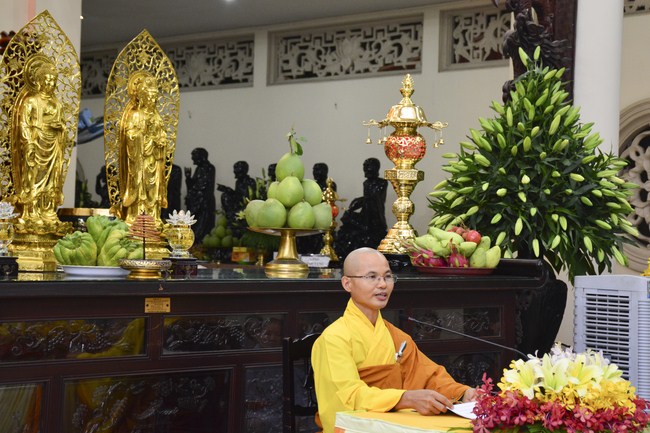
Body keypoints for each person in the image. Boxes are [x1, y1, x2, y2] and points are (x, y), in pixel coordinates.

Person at [311, 248, 476, 433]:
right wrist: (405, 398)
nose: (382, 284)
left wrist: (463, 393)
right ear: (347, 283)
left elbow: (429, 377)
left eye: (387, 277)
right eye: (372, 277)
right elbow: (347, 397)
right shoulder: (334, 339)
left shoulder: (396, 336)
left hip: (393, 425)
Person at [13, 55, 67, 225]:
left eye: (53, 80)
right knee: (33, 177)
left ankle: (48, 210)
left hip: (53, 145)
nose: (50, 83)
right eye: (47, 80)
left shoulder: (57, 104)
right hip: (36, 143)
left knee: (51, 179)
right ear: (39, 81)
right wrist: (29, 143)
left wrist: (61, 129)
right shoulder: (31, 102)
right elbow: (24, 124)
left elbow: (62, 124)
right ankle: (31, 211)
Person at [119, 70, 169, 226]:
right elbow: (130, 136)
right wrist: (144, 137)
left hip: (154, 159)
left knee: (154, 189)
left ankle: (154, 217)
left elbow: (162, 135)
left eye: (155, 97)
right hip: (140, 160)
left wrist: (161, 141)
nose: (153, 100)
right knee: (140, 186)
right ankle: (137, 216)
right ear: (141, 97)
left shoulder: (157, 117)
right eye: (150, 96)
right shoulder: (136, 115)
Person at [185, 147, 216, 240]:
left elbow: (203, 186)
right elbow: (193, 185)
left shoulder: (209, 168)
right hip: (196, 201)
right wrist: (188, 178)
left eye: (194, 157)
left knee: (203, 227)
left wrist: (194, 194)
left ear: (200, 157)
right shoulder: (198, 169)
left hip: (204, 202)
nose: (192, 160)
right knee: (194, 226)